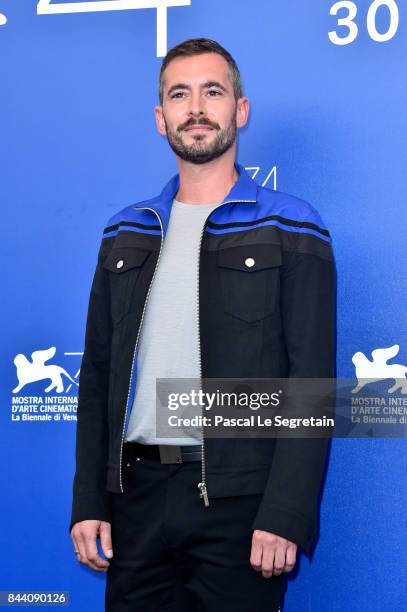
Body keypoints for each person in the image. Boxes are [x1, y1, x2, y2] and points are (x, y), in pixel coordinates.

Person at [69, 37, 336, 611]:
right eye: (179, 94)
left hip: (240, 505)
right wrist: (89, 500)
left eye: (212, 92)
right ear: (159, 117)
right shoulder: (126, 231)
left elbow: (311, 379)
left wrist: (285, 512)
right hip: (134, 499)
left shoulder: (292, 226)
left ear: (239, 109)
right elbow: (96, 376)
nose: (196, 108)